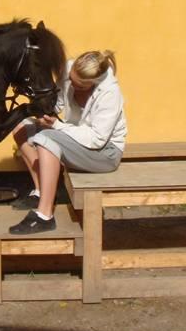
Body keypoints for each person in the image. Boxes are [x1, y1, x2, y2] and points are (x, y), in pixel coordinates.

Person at [9, 50, 127, 234]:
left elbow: (96, 140)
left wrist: (56, 126)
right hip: (76, 139)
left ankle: (44, 216)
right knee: (20, 127)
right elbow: (58, 104)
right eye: (70, 79)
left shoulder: (110, 94)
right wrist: (42, 108)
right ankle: (42, 192)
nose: (70, 83)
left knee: (47, 139)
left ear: (92, 84)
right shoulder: (70, 70)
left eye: (77, 84)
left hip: (105, 153)